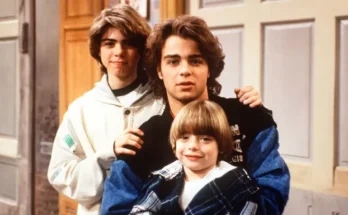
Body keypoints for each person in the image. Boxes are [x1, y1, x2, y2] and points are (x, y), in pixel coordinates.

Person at [47, 5, 260, 215]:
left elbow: (204, 110)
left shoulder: (167, 98)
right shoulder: (80, 110)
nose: (118, 52)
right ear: (98, 50)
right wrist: (108, 155)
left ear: (142, 51)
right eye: (109, 44)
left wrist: (248, 103)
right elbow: (59, 174)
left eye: (129, 44)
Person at [101, 15, 289, 215]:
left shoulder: (248, 117)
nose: (185, 71)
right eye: (173, 62)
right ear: (159, 70)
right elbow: (115, 210)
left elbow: (272, 192)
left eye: (195, 61)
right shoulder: (142, 141)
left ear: (209, 69)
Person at [131, 100, 262, 214]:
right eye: (184, 138)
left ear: (220, 145)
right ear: (174, 143)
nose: (193, 146)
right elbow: (141, 210)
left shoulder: (236, 182)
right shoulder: (164, 179)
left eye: (205, 139)